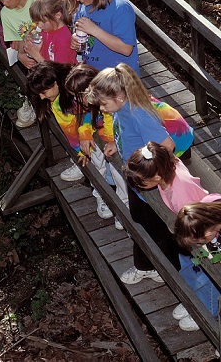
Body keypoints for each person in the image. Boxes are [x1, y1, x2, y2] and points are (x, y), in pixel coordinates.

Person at [86, 63, 181, 284]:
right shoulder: (121, 110)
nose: (101, 108)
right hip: (135, 179)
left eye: (103, 103)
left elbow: (167, 145)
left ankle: (170, 270)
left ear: (119, 97)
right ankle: (146, 265)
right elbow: (129, 137)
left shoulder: (139, 114)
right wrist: (115, 145)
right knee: (140, 220)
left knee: (157, 228)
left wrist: (149, 173)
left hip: (149, 184)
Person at [125, 143, 220, 331]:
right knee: (186, 266)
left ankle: (207, 309)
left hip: (200, 234)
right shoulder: (164, 165)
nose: (138, 186)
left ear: (157, 176)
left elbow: (198, 219)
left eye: (141, 182)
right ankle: (195, 299)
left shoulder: (182, 194)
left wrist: (188, 231)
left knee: (204, 275)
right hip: (192, 231)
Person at [65, 63, 129, 224]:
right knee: (96, 159)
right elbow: (88, 116)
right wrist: (85, 133)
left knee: (118, 173)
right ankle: (101, 196)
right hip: (102, 140)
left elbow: (119, 122)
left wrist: (113, 140)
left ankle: (124, 207)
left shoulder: (111, 101)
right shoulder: (89, 103)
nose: (75, 100)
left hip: (118, 143)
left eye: (77, 96)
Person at [66, 0, 139, 74]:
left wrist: (94, 30)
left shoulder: (120, 8)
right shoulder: (83, 6)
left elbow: (126, 49)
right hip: (94, 75)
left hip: (119, 78)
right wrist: (75, 38)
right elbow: (81, 32)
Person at [24, 0, 77, 64]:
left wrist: (36, 56)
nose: (39, 25)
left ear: (57, 15)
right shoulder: (46, 28)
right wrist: (29, 40)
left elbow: (57, 72)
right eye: (36, 22)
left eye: (43, 22)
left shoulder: (63, 40)